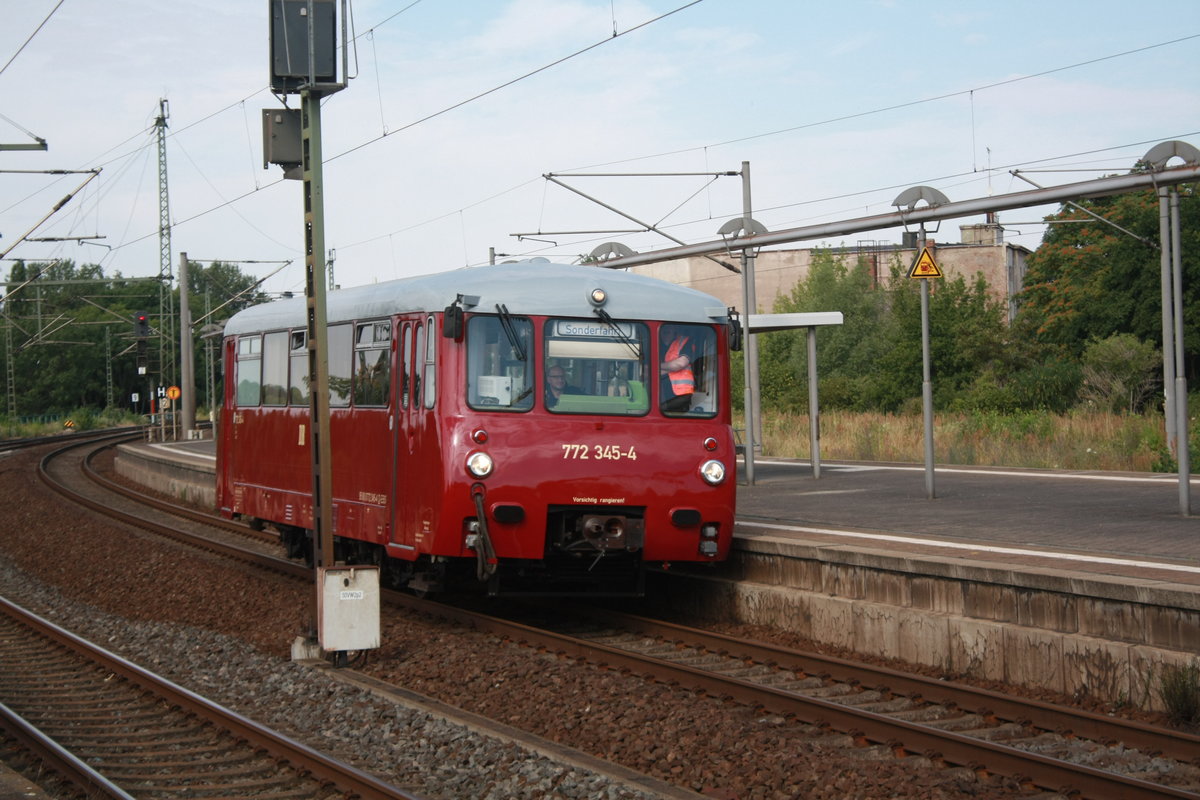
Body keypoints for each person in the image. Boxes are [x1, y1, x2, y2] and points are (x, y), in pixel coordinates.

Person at [659, 325, 694, 412]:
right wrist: (671, 367)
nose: (666, 329)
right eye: (664, 329)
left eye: (669, 327)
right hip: (661, 395)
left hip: (681, 395)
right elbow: (645, 371)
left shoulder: (685, 341)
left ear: (675, 329)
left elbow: (680, 363)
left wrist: (656, 366)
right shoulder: (654, 343)